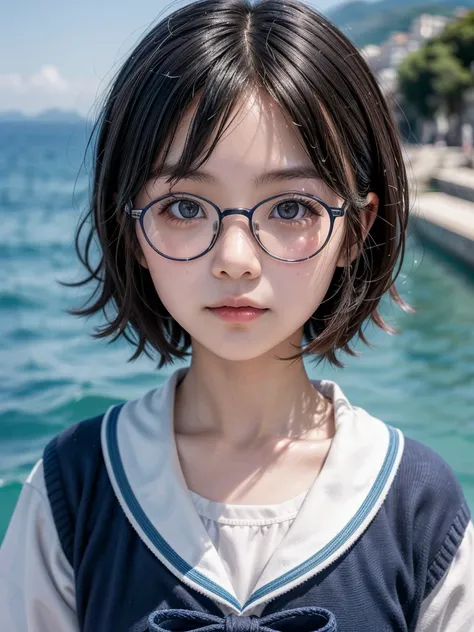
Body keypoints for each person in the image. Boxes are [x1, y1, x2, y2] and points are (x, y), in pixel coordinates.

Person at [0, 0, 472, 629]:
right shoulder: (71, 490)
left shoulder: (418, 504)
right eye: (187, 207)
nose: (235, 259)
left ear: (356, 230)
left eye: (291, 207)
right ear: (131, 226)